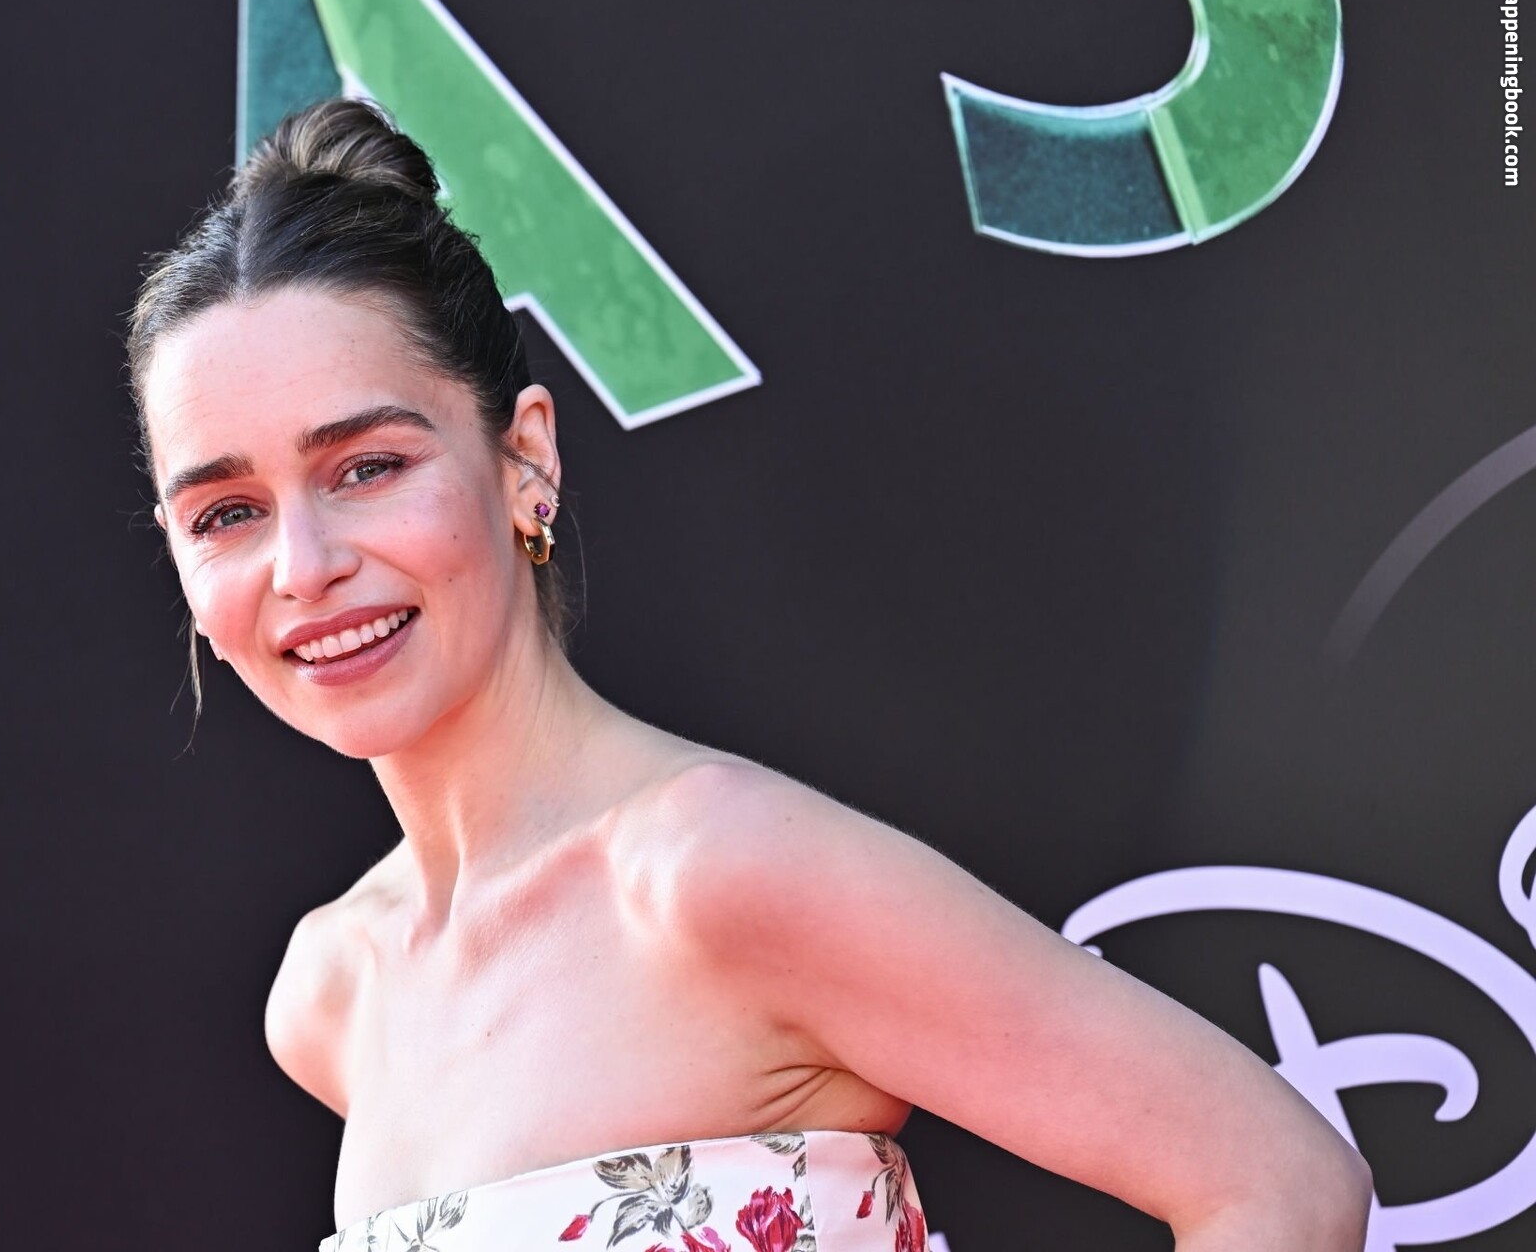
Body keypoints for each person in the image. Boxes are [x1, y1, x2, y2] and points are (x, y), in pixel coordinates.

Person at [126, 98, 1373, 1252]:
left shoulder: (716, 873)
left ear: (524, 460)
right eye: (227, 512)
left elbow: (1276, 1181)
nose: (305, 565)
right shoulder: (331, 995)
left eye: (367, 467)